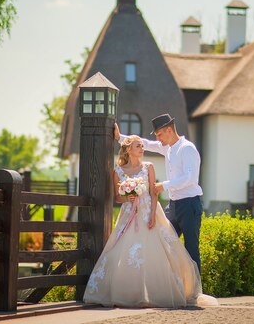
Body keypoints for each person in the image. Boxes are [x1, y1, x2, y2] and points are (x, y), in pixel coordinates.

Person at [83, 135, 202, 308]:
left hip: (148, 212)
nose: (142, 148)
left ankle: (160, 293)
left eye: (142, 145)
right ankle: (128, 293)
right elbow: (117, 197)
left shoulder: (149, 167)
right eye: (138, 146)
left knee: (158, 252)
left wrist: (152, 214)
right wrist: (128, 198)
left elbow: (154, 193)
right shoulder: (118, 171)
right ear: (129, 149)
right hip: (128, 215)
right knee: (122, 251)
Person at [115, 113, 203, 272]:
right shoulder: (167, 148)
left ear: (169, 130)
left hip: (189, 205)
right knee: (165, 245)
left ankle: (195, 291)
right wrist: (119, 137)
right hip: (174, 206)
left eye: (160, 134)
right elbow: (146, 144)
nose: (158, 139)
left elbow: (190, 178)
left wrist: (164, 185)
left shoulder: (187, 148)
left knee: (191, 249)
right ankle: (176, 286)